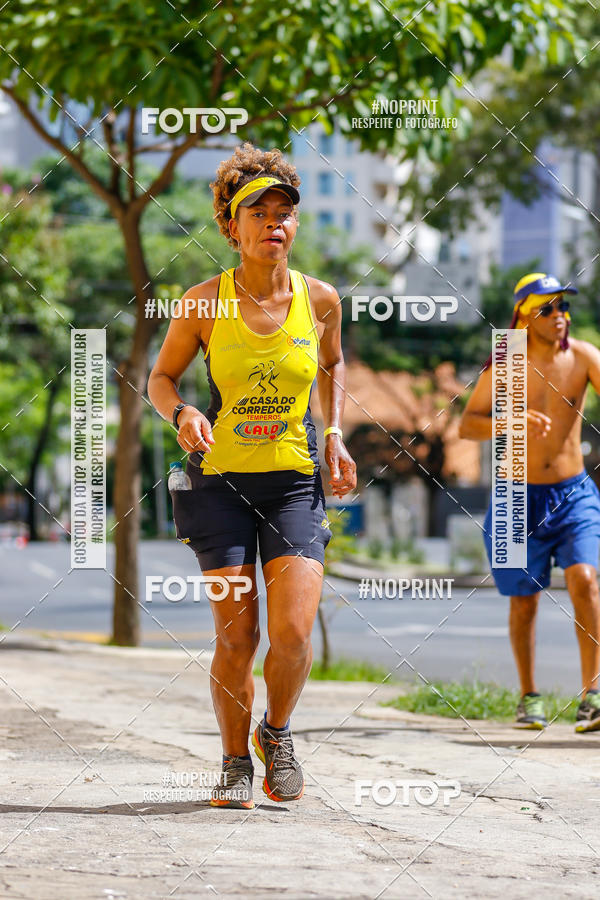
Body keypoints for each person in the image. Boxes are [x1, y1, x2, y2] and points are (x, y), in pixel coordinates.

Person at [148, 143, 357, 807]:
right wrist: (180, 411)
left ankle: (278, 732)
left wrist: (334, 433)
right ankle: (235, 761)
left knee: (293, 634)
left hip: (294, 483)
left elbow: (333, 363)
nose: (274, 222)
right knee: (238, 636)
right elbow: (160, 377)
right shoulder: (204, 303)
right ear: (230, 226)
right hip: (219, 486)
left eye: (284, 212)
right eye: (257, 212)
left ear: (295, 225)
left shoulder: (319, 299)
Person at [459, 272, 600, 732]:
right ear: (523, 314)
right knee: (524, 602)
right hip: (514, 496)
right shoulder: (505, 361)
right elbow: (467, 426)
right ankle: (528, 697)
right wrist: (510, 421)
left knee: (585, 580)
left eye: (563, 306)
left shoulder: (583, 357)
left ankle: (593, 695)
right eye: (548, 308)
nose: (560, 316)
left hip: (573, 491)